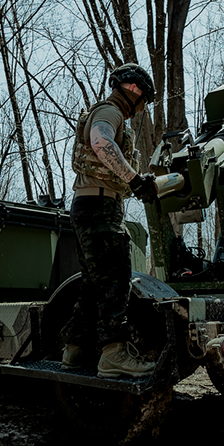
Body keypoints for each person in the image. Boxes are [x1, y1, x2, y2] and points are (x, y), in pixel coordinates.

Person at [60, 63, 160, 378]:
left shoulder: (107, 111)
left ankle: (75, 350)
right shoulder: (111, 111)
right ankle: (114, 353)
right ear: (135, 90)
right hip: (99, 204)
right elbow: (102, 143)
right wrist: (133, 179)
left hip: (88, 204)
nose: (141, 109)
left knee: (94, 282)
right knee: (116, 276)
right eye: (144, 101)